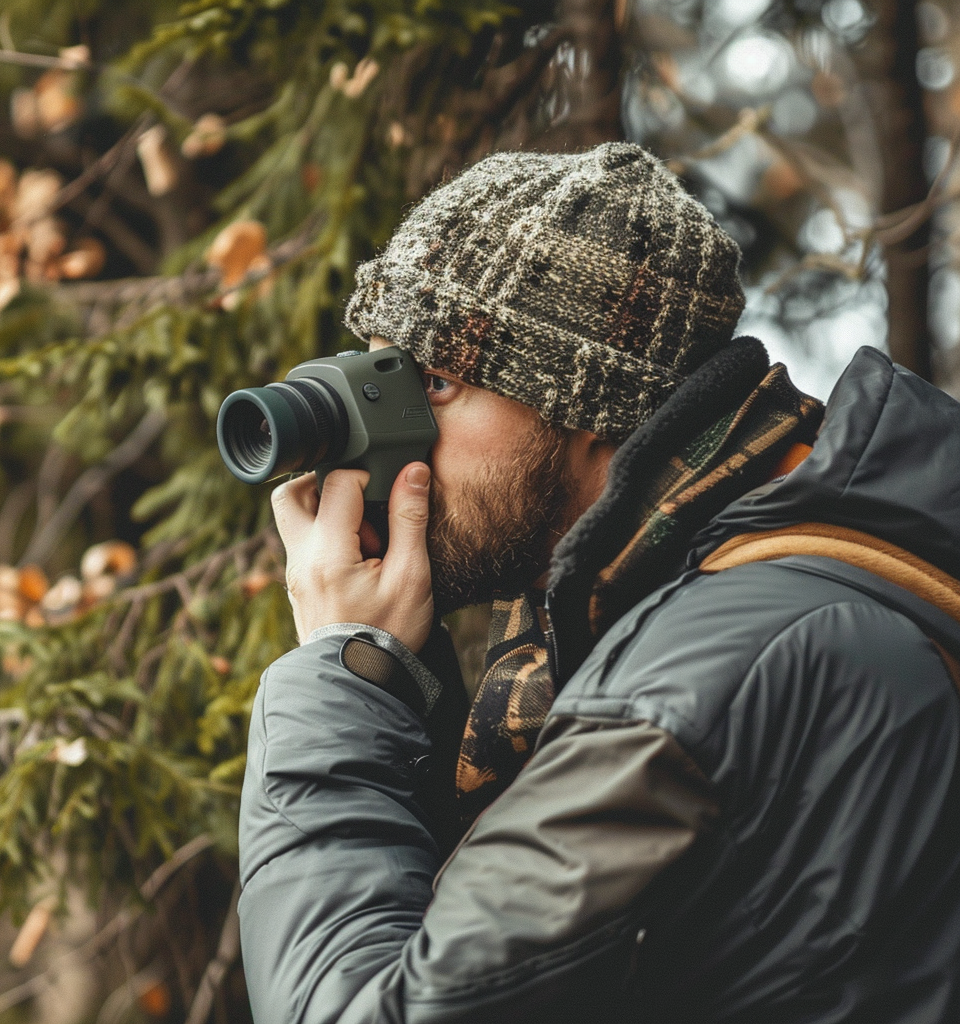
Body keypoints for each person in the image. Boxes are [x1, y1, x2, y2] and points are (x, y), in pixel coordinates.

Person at [237, 143, 960, 1023]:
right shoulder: (798, 594)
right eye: (376, 376)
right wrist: (405, 680)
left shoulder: (695, 687)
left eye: (435, 381)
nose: (392, 442)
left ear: (596, 415)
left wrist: (338, 675)